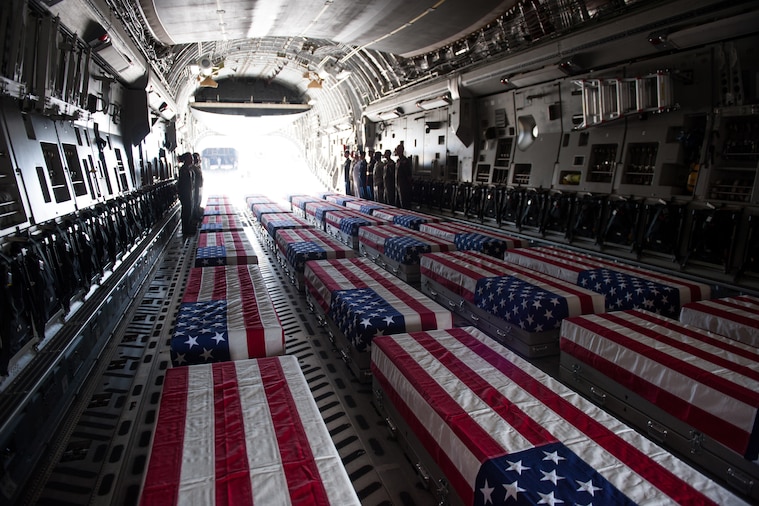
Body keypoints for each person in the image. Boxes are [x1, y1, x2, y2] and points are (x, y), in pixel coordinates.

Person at [176, 152, 195, 236]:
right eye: (190, 158)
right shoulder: (183, 170)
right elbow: (183, 184)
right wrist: (184, 195)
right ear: (186, 159)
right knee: (186, 211)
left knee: (189, 210)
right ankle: (185, 229)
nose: (192, 160)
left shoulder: (187, 169)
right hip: (185, 194)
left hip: (188, 193)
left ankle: (188, 227)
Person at [395, 144, 412, 209]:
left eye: (398, 150)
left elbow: (408, 174)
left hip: (404, 186)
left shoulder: (405, 161)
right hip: (398, 185)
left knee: (404, 204)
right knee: (398, 204)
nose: (397, 151)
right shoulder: (398, 161)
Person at [191, 152, 203, 226]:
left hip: (199, 187)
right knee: (195, 202)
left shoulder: (197, 167)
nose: (198, 160)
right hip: (195, 188)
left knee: (198, 200)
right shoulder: (193, 168)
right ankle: (195, 216)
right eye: (197, 159)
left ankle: (197, 213)